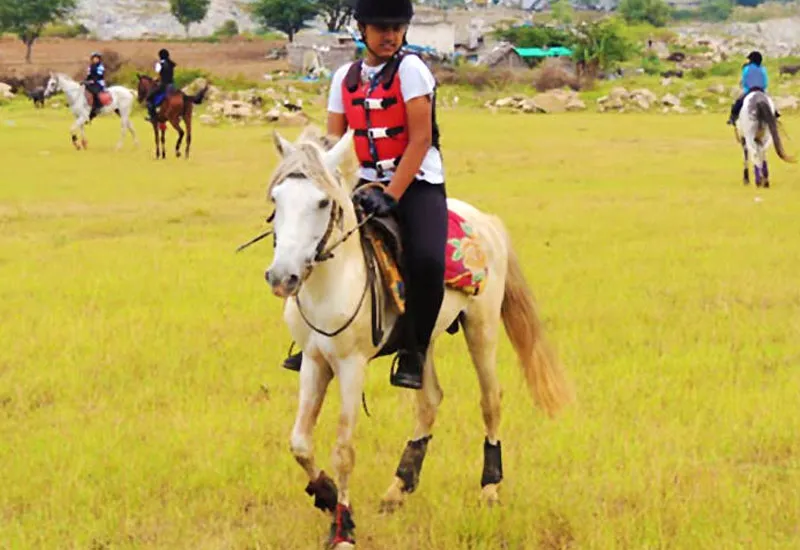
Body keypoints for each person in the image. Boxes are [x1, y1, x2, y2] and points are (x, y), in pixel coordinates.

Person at [281, 0, 446, 391]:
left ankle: (414, 350)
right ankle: (309, 335)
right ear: (361, 29)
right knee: (314, 241)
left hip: (417, 181)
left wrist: (391, 195)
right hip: (361, 183)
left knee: (425, 258)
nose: (389, 35)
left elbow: (421, 139)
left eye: (396, 27)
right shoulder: (344, 78)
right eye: (380, 27)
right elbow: (335, 143)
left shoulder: (412, 70)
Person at [727, 50, 779, 125]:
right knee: (770, 101)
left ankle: (732, 118)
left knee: (738, 102)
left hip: (749, 90)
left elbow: (745, 80)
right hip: (762, 90)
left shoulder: (747, 68)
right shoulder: (763, 69)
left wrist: (745, 87)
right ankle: (775, 114)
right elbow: (765, 82)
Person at [145, 48, 176, 122]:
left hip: (164, 85)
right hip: (172, 85)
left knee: (149, 98)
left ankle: (152, 116)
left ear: (160, 56)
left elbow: (159, 76)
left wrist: (155, 79)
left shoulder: (159, 64)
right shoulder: (171, 63)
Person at [84, 52, 106, 119]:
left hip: (99, 82)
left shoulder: (100, 66)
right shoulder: (90, 67)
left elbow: (99, 75)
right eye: (94, 58)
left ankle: (97, 107)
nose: (95, 60)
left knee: (95, 92)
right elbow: (88, 76)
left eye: (97, 58)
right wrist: (85, 81)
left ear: (99, 59)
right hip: (92, 82)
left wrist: (93, 81)